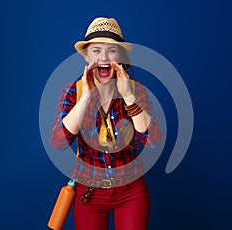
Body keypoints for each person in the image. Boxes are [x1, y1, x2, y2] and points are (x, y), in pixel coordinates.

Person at [50, 17, 162, 230]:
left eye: (111, 50)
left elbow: (153, 141)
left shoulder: (135, 90)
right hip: (89, 193)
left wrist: (129, 98)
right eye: (96, 51)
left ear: (119, 56)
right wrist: (85, 98)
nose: (103, 58)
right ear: (85, 56)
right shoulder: (73, 92)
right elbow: (58, 142)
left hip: (131, 190)